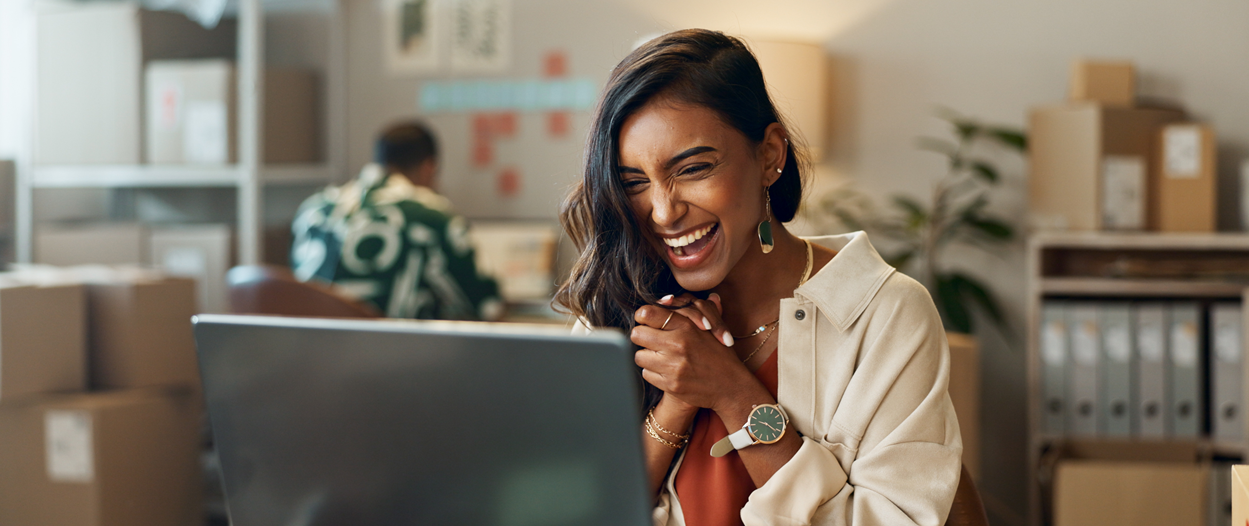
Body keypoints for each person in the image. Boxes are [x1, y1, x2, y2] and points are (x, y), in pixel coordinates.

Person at [555, 29, 961, 525]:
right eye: (634, 182)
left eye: (694, 168)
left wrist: (732, 392)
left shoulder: (886, 313)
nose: (663, 212)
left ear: (769, 154)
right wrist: (677, 402)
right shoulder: (617, 303)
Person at [291, 121, 501, 320]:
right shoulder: (431, 215)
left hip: (312, 353)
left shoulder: (315, 209)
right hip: (395, 354)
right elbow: (486, 306)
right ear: (429, 167)